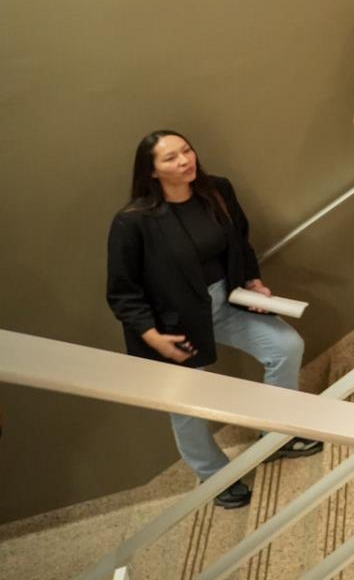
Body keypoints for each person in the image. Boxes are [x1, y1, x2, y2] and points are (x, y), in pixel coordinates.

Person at [106, 131, 323, 510]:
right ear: (152, 171)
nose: (185, 161)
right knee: (188, 401)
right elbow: (122, 291)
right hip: (171, 322)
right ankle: (212, 474)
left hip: (227, 300)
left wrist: (252, 281)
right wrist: (152, 336)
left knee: (287, 346)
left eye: (186, 151)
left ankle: (276, 433)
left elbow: (241, 242)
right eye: (171, 158)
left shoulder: (217, 190)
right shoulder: (133, 222)